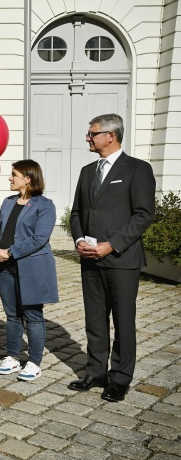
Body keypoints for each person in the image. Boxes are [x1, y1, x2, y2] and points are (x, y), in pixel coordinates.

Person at [69, 113, 155, 402]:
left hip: (122, 260)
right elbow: (77, 213)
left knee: (123, 321)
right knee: (94, 320)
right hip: (89, 259)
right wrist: (79, 240)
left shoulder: (137, 169)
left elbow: (144, 214)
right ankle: (95, 372)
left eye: (92, 133)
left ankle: (120, 378)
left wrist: (112, 245)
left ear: (111, 136)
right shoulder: (86, 171)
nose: (88, 138)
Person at [0, 160, 58, 381]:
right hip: (4, 267)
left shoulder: (44, 205)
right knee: (12, 315)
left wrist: (10, 251)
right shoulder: (8, 202)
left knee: (33, 316)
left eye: (14, 175)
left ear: (28, 179)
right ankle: (12, 357)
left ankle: (34, 363)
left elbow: (40, 238)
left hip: (31, 267)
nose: (10, 178)